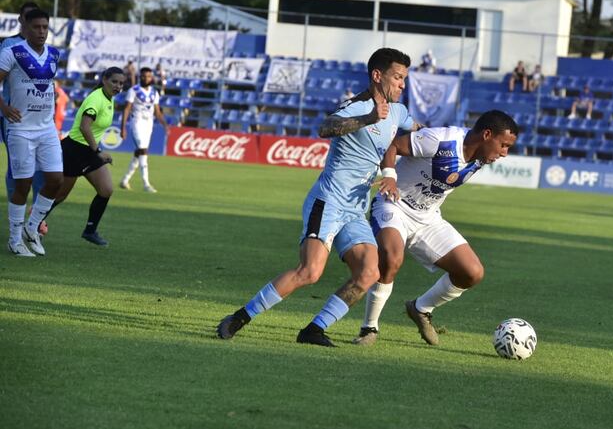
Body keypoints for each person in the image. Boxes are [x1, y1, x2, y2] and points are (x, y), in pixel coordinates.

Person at [216, 47, 418, 347]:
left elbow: (419, 133)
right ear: (377, 75)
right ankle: (239, 318)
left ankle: (313, 330)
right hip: (328, 201)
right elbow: (326, 127)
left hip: (355, 208)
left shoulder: (399, 112)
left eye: (404, 78)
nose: (402, 84)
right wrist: (368, 117)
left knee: (369, 272)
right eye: (398, 77)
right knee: (310, 271)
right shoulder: (355, 107)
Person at [353, 110, 519, 346]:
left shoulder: (480, 159)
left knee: (472, 272)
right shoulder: (441, 140)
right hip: (394, 205)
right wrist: (389, 175)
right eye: (503, 145)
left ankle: (420, 309)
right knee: (391, 258)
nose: (504, 153)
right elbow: (393, 145)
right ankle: (369, 328)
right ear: (487, 134)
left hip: (428, 219)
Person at [0, 8, 63, 257]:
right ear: (25, 26)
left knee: (56, 180)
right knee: (23, 185)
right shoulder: (11, 53)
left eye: (45, 27)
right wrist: (4, 107)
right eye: (36, 27)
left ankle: (31, 227)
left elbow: (48, 86)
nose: (41, 32)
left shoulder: (54, 54)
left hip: (47, 128)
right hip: (20, 128)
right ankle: (14, 239)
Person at [47, 67, 125, 247]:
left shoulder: (108, 98)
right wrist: (99, 152)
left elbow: (93, 130)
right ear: (104, 79)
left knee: (106, 190)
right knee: (59, 196)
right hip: (74, 150)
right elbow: (84, 127)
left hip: (88, 151)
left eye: (121, 83)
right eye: (114, 82)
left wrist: (97, 152)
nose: (118, 86)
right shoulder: (96, 98)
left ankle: (90, 231)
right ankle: (32, 223)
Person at [1, 2, 49, 231]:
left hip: (39, 119)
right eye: (30, 18)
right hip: (15, 116)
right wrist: (4, 108)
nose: (38, 28)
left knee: (44, 168)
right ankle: (16, 220)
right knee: (18, 167)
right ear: (22, 20)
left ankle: (37, 219)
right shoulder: (9, 45)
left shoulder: (45, 48)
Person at [119, 67, 168, 192]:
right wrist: (123, 127)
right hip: (136, 122)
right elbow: (127, 109)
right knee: (143, 150)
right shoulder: (133, 90)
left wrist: (165, 125)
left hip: (148, 124)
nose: (146, 78)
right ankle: (146, 183)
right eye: (144, 76)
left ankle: (125, 180)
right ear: (140, 77)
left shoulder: (154, 93)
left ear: (152, 78)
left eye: (148, 76)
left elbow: (157, 111)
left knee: (139, 153)